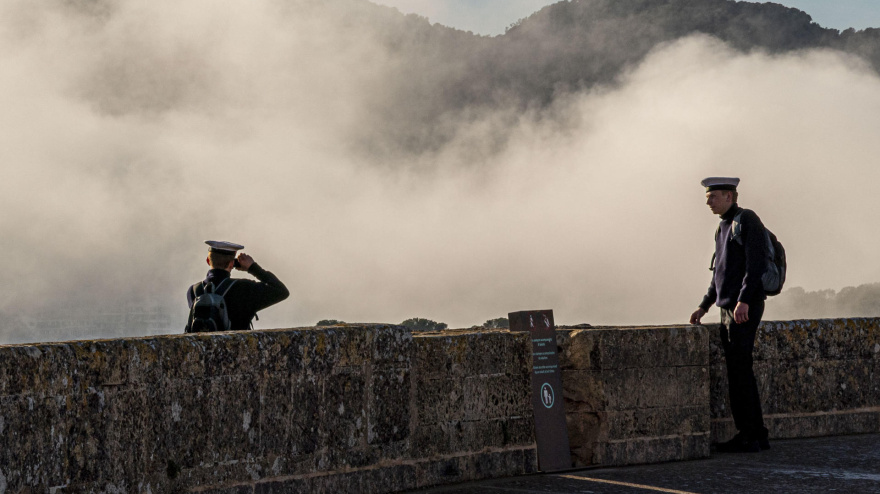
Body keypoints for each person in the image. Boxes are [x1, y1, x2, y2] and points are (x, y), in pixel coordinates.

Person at [689, 177, 770, 453]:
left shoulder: (746, 220)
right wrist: (704, 305)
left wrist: (744, 300)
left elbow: (755, 264)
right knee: (737, 371)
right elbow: (719, 274)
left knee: (741, 370)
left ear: (729, 196)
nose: (708, 202)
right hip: (729, 309)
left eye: (713, 197)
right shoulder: (722, 227)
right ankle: (751, 433)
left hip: (743, 308)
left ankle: (753, 435)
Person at [186, 240, 289, 332]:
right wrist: (252, 268)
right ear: (232, 264)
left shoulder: (193, 291)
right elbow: (281, 291)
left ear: (208, 261)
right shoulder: (244, 288)